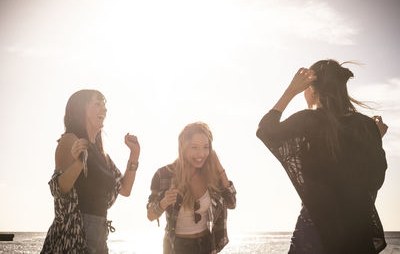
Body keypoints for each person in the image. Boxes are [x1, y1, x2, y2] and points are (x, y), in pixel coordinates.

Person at [256, 60, 388, 254]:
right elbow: (375, 180)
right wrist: (375, 141)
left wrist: (290, 91)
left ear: (312, 89)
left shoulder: (308, 121)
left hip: (316, 229)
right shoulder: (366, 126)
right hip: (357, 229)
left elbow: (266, 131)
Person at [41, 89, 141, 253]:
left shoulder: (102, 155)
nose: (104, 109)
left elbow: (125, 189)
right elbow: (60, 189)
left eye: (105, 105)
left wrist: (134, 154)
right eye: (97, 104)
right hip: (74, 233)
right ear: (81, 109)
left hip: (100, 232)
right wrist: (80, 162)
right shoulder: (70, 140)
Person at [147, 122, 236, 254]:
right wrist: (164, 202)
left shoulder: (212, 175)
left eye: (206, 147)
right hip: (176, 247)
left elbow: (232, 203)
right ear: (183, 148)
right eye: (194, 147)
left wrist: (220, 168)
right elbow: (150, 215)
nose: (201, 154)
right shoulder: (163, 175)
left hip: (207, 245)